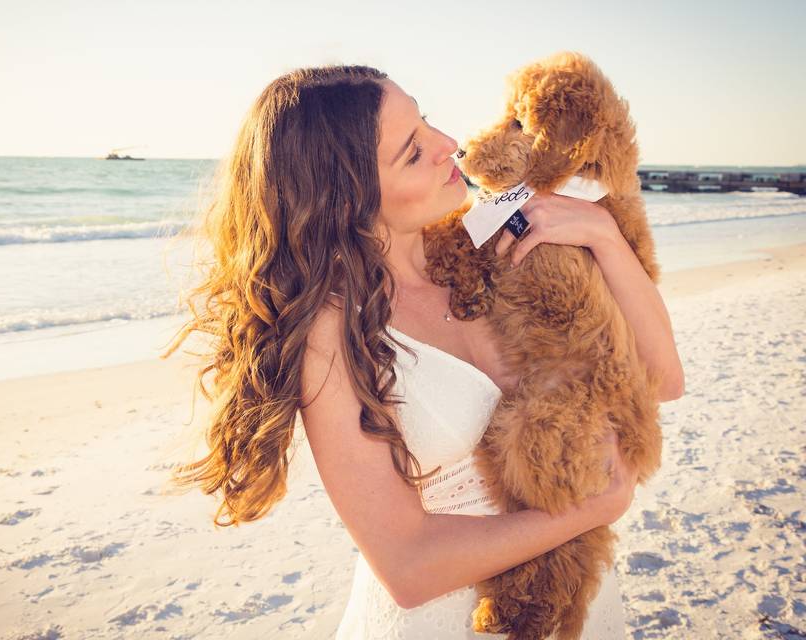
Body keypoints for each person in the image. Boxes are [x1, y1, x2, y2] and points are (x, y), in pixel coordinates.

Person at [160, 64, 684, 638]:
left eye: (427, 120)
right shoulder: (333, 335)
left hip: (581, 608)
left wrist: (603, 235)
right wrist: (590, 511)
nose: (449, 145)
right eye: (412, 153)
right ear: (348, 196)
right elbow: (407, 567)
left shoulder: (489, 235)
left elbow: (661, 380)